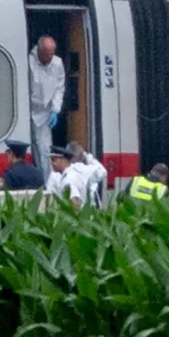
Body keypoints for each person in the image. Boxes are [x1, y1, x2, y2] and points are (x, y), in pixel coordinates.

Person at [29, 35, 65, 181]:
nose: (49, 57)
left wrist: (55, 110)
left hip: (45, 112)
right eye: (46, 54)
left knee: (44, 149)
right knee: (30, 148)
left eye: (52, 54)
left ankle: (47, 184)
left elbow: (59, 88)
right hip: (28, 109)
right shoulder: (29, 61)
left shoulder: (57, 63)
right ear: (39, 51)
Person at [65, 141, 108, 208]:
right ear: (82, 157)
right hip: (87, 212)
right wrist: (87, 156)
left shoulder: (64, 171)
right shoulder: (87, 170)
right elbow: (103, 172)